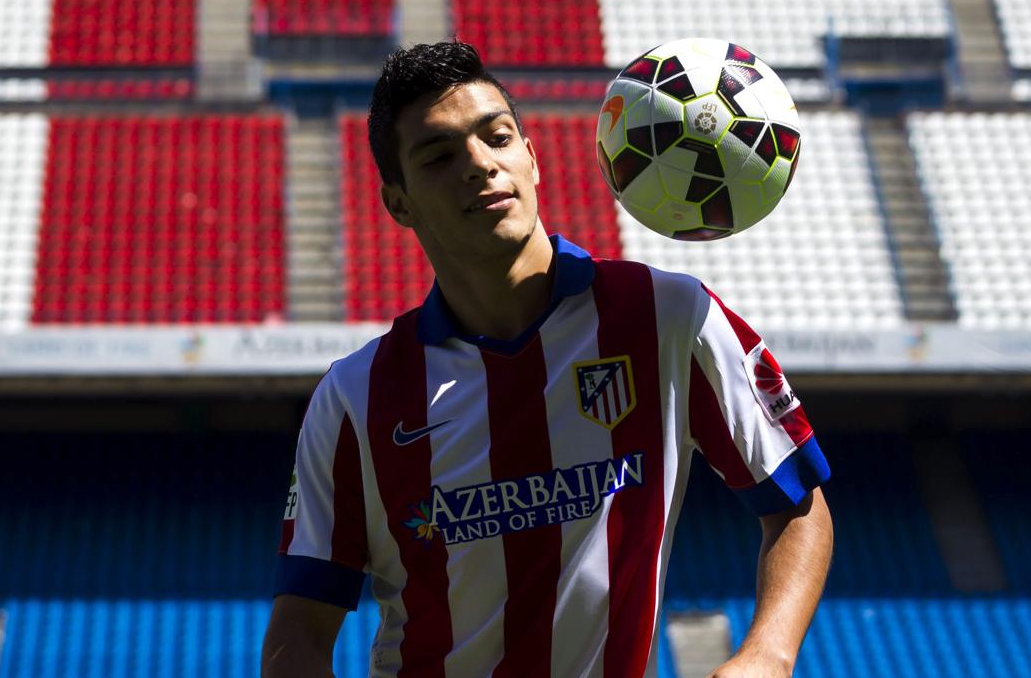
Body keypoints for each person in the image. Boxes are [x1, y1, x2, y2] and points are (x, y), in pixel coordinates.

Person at [261, 40, 833, 678]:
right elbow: (301, 630)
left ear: (532, 158)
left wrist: (768, 653)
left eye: (497, 138)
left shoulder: (667, 317)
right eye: (439, 157)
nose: (480, 165)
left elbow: (798, 505)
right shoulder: (355, 397)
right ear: (399, 203)